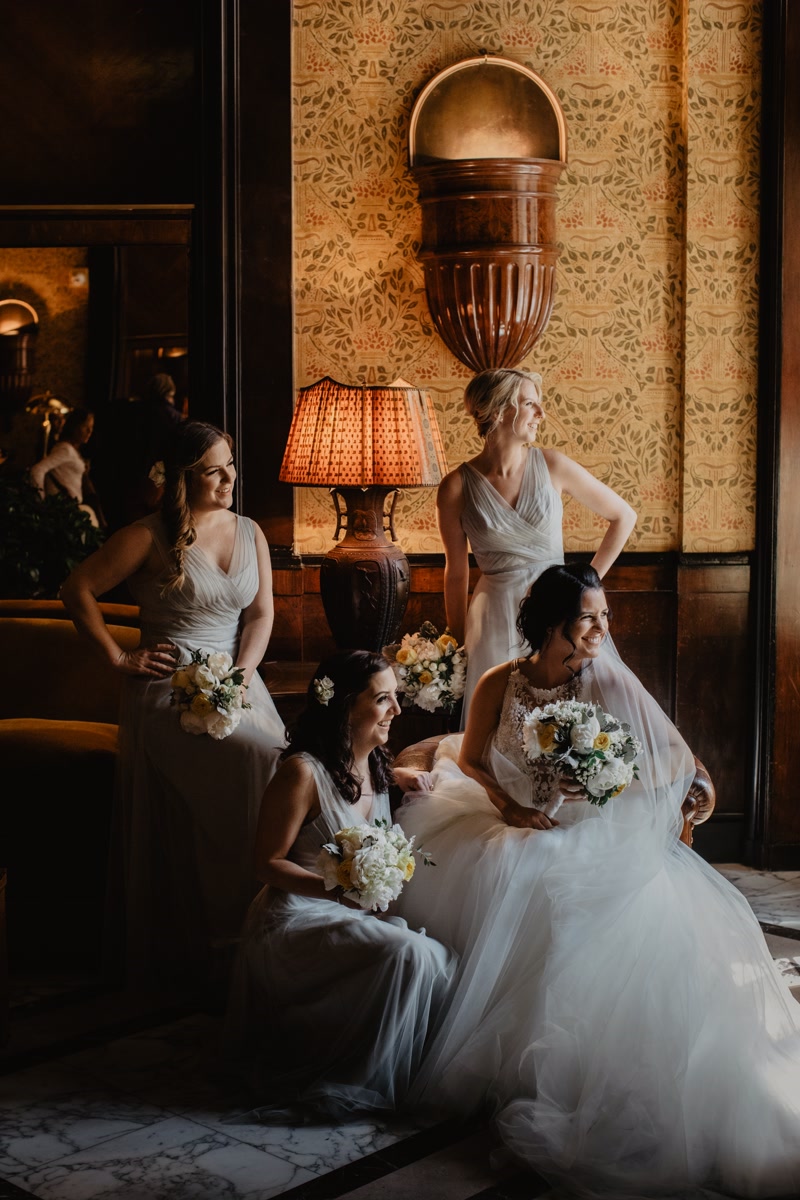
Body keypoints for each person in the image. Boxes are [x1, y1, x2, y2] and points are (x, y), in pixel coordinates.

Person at [396, 564, 800, 1199]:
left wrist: (608, 784)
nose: (601, 629)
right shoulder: (502, 681)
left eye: (604, 616)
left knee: (561, 892)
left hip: (590, 827)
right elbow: (470, 758)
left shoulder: (605, 679)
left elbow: (671, 757)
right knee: (490, 864)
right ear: (553, 622)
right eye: (589, 617)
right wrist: (508, 806)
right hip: (510, 816)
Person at [60, 420, 286, 993]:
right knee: (249, 759)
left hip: (236, 680)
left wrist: (241, 676)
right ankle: (220, 943)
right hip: (168, 689)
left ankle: (259, 933)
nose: (230, 477)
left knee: (281, 764)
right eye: (215, 469)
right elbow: (76, 589)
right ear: (185, 477)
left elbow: (260, 616)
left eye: (231, 464)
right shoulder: (146, 535)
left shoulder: (249, 530)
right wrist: (117, 659)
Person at [224, 649, 457, 1118]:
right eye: (383, 699)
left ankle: (392, 1072)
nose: (396, 710)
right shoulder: (300, 772)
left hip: (342, 911)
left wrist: (403, 776)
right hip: (294, 918)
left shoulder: (374, 768)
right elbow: (266, 864)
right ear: (347, 705)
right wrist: (337, 891)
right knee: (409, 952)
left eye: (396, 698)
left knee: (439, 957)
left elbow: (367, 790)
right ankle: (352, 1079)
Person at [436, 368, 636, 726]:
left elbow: (624, 516)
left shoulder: (553, 465)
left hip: (559, 610)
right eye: (531, 404)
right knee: (502, 721)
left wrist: (580, 587)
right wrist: (458, 640)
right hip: (494, 614)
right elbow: (456, 569)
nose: (541, 414)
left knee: (572, 718)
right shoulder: (456, 487)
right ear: (499, 410)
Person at [29, 405, 106, 528]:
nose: (89, 432)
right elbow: (37, 470)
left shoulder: (71, 450)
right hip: (67, 513)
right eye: (86, 427)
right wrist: (41, 501)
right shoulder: (65, 450)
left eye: (91, 428)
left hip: (73, 510)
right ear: (75, 427)